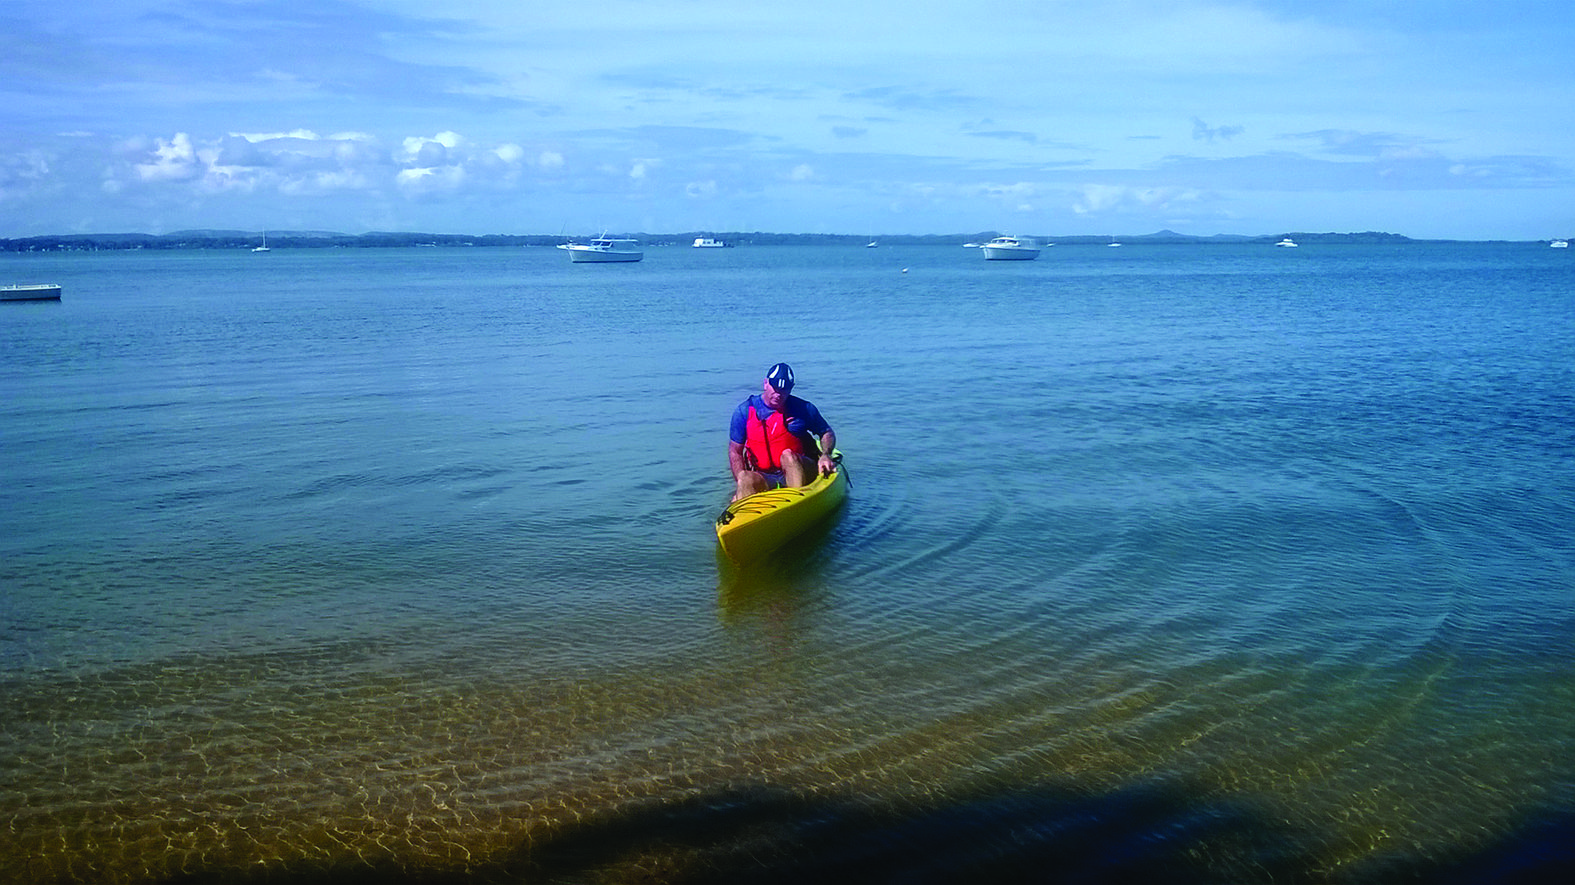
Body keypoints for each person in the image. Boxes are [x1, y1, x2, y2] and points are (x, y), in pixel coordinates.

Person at [729, 362, 838, 502]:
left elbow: (826, 433)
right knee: (744, 477)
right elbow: (735, 451)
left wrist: (826, 455)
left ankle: (796, 502)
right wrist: (741, 485)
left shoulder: (803, 408)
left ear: (791, 388)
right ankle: (745, 508)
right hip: (765, 475)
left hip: (801, 469)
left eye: (784, 390)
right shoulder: (744, 412)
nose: (779, 394)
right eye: (775, 388)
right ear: (765, 384)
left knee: (788, 456)